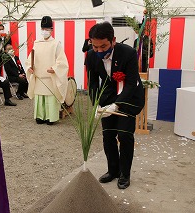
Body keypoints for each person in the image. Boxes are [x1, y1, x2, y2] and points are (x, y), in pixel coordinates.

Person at [85, 22, 145, 189]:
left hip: (129, 97)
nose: (99, 51)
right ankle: (113, 170)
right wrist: (96, 104)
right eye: (95, 47)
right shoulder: (91, 55)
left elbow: (132, 84)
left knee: (124, 135)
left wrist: (116, 105)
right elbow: (92, 84)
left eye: (103, 46)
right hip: (108, 97)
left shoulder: (128, 53)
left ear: (113, 40)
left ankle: (125, 174)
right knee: (108, 136)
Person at [25, 16, 69, 125]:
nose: (44, 31)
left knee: (50, 98)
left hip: (50, 77)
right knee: (39, 98)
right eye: (43, 29)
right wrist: (29, 67)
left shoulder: (56, 44)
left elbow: (62, 61)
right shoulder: (37, 43)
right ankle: (40, 116)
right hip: (39, 76)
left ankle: (51, 117)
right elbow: (30, 58)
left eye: (47, 29)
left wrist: (54, 68)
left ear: (51, 30)